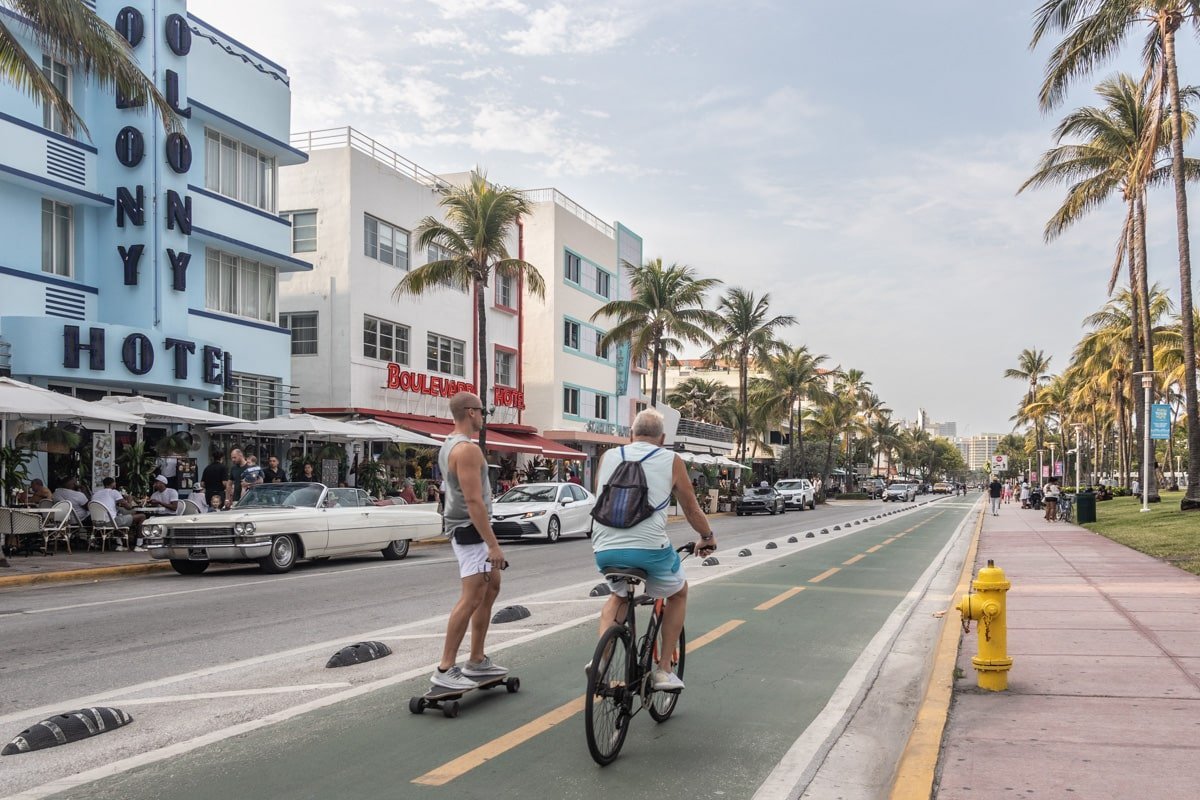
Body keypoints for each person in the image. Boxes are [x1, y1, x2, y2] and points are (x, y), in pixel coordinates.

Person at [590, 408, 717, 691]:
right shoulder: (671, 459)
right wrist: (707, 536)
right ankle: (663, 670)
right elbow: (691, 509)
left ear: (630, 435)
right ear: (662, 439)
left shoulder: (608, 456)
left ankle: (600, 662)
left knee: (617, 596)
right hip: (649, 549)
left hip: (604, 547)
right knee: (679, 593)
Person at [430, 392, 509, 692]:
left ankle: (476, 659)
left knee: (492, 587)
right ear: (471, 412)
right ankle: (445, 667)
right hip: (469, 530)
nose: (485, 416)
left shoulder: (451, 445)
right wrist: (493, 545)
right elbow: (474, 502)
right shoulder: (466, 451)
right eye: (483, 411)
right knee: (472, 596)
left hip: (472, 527)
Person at [92, 477, 147, 550]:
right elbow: (129, 507)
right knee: (142, 516)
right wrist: (129, 499)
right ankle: (139, 545)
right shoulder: (114, 492)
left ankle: (119, 545)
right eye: (114, 482)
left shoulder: (96, 494)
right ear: (113, 484)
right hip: (110, 522)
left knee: (119, 515)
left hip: (96, 523)